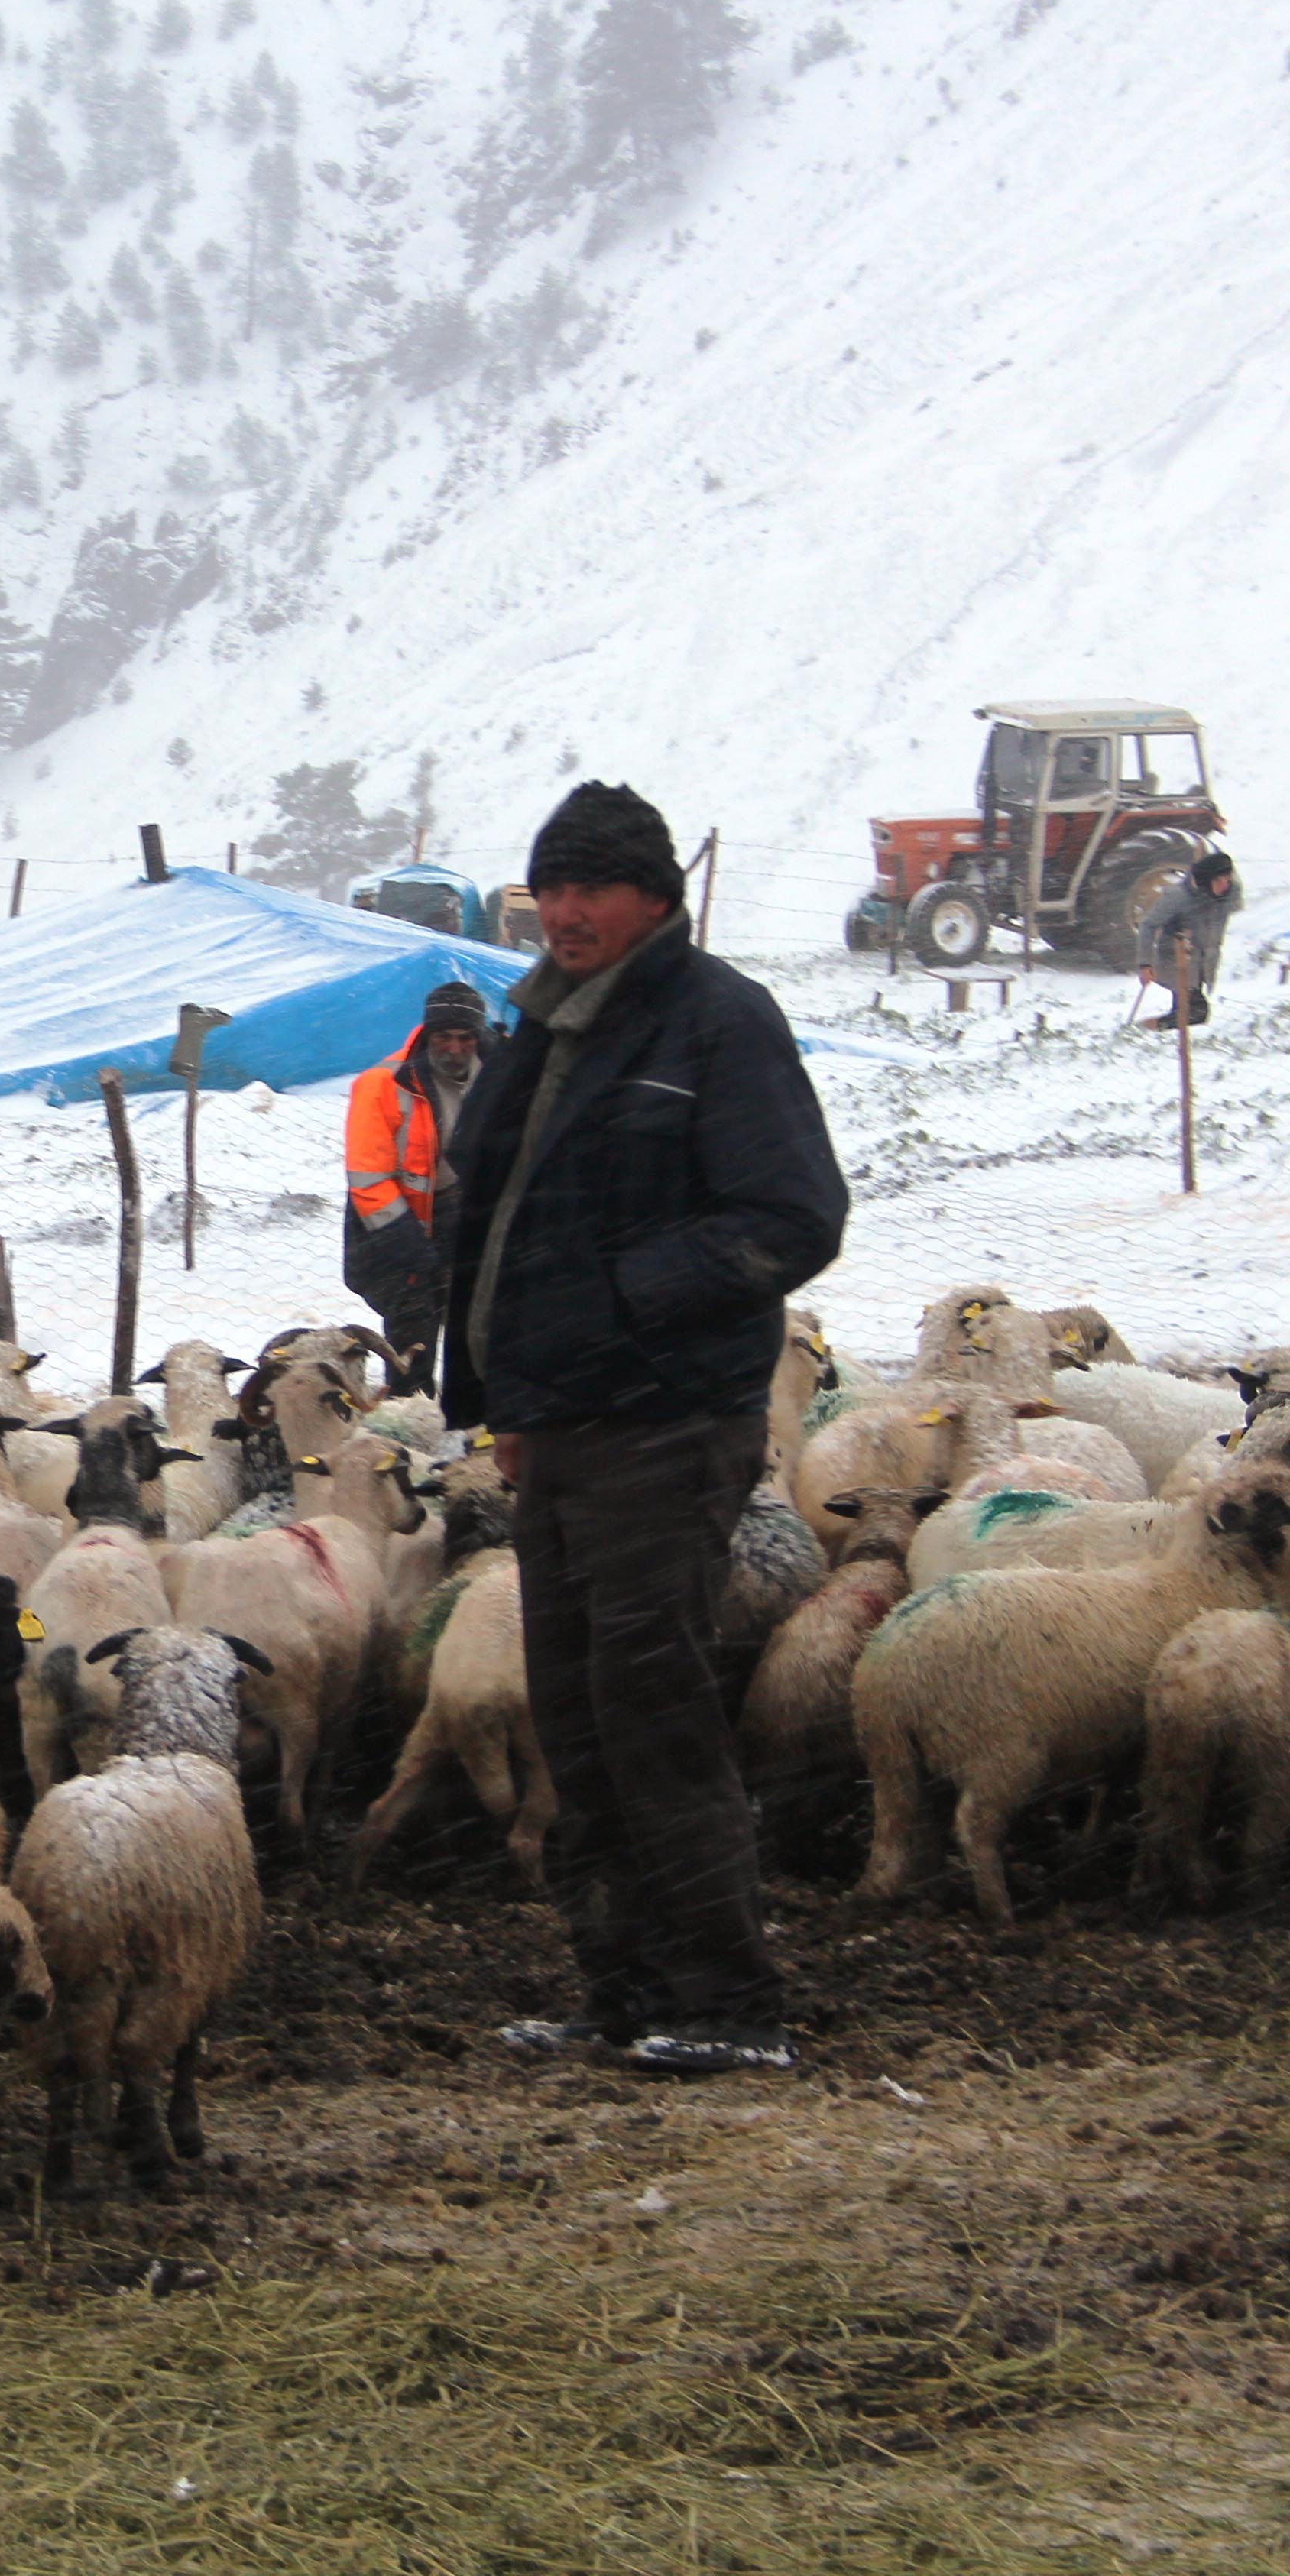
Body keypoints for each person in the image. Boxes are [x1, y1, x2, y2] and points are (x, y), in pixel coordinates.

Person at [434, 782, 848, 2078]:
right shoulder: (541, 1025)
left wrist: (624, 1302)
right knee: (577, 1713)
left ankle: (726, 2000)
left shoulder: (713, 1023)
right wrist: (503, 1390)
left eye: (593, 888)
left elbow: (791, 1216)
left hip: (665, 1420)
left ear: (653, 900)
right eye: (549, 886)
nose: (564, 910)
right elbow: (504, 1215)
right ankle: (617, 1991)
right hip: (559, 1427)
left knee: (650, 1709)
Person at [340, 979, 494, 1375]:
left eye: (466, 1038)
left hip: (467, 1211)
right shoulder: (382, 1085)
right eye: (444, 1037)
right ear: (427, 1034)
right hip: (394, 1222)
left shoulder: (500, 1075)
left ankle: (477, 1414)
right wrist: (409, 1244)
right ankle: (410, 1406)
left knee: (484, 1318)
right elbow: (368, 1179)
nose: (455, 1048)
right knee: (414, 1324)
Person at [1135, 850, 1238, 1029]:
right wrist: (1145, 964)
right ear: (1206, 880)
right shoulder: (1179, 896)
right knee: (1195, 1013)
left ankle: (1155, 1030)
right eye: (1218, 881)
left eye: (1227, 880)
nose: (1224, 886)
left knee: (1187, 1013)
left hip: (1202, 964)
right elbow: (1148, 925)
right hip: (1178, 962)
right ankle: (1148, 1028)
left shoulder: (1227, 895)